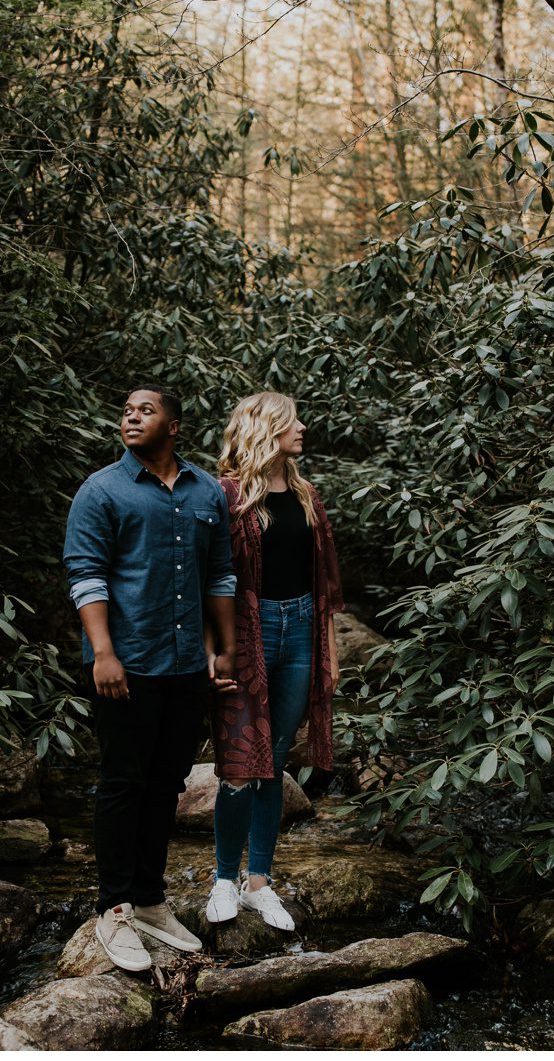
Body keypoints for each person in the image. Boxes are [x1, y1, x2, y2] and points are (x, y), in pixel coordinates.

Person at [62, 384, 240, 971]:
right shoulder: (103, 490)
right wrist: (103, 653)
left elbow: (218, 574)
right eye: (127, 410)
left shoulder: (205, 490)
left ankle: (149, 899)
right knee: (122, 783)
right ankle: (113, 908)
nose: (132, 417)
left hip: (187, 664)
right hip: (127, 664)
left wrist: (224, 650)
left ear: (174, 426)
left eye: (146, 410)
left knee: (167, 784)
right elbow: (86, 574)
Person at [207, 391, 344, 931]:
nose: (303, 427)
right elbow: (208, 579)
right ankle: (222, 880)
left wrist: (330, 650)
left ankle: (258, 882)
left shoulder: (307, 494)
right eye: (293, 421)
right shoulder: (226, 496)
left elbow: (325, 582)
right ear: (267, 427)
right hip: (249, 629)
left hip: (301, 628)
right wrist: (213, 650)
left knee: (275, 762)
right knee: (241, 762)